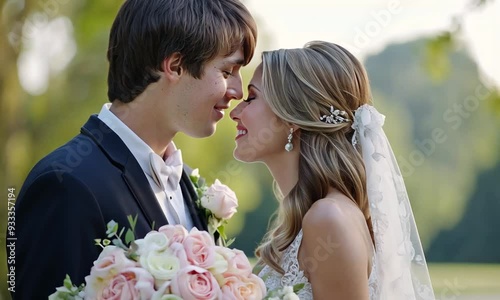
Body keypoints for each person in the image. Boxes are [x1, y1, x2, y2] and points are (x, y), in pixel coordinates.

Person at [11, 0, 257, 298]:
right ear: (175, 65)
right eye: (228, 70)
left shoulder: (188, 183)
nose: (238, 91)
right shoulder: (65, 183)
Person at [230, 41, 435, 299]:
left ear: (292, 116)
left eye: (251, 98)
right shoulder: (306, 223)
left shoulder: (329, 218)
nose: (235, 112)